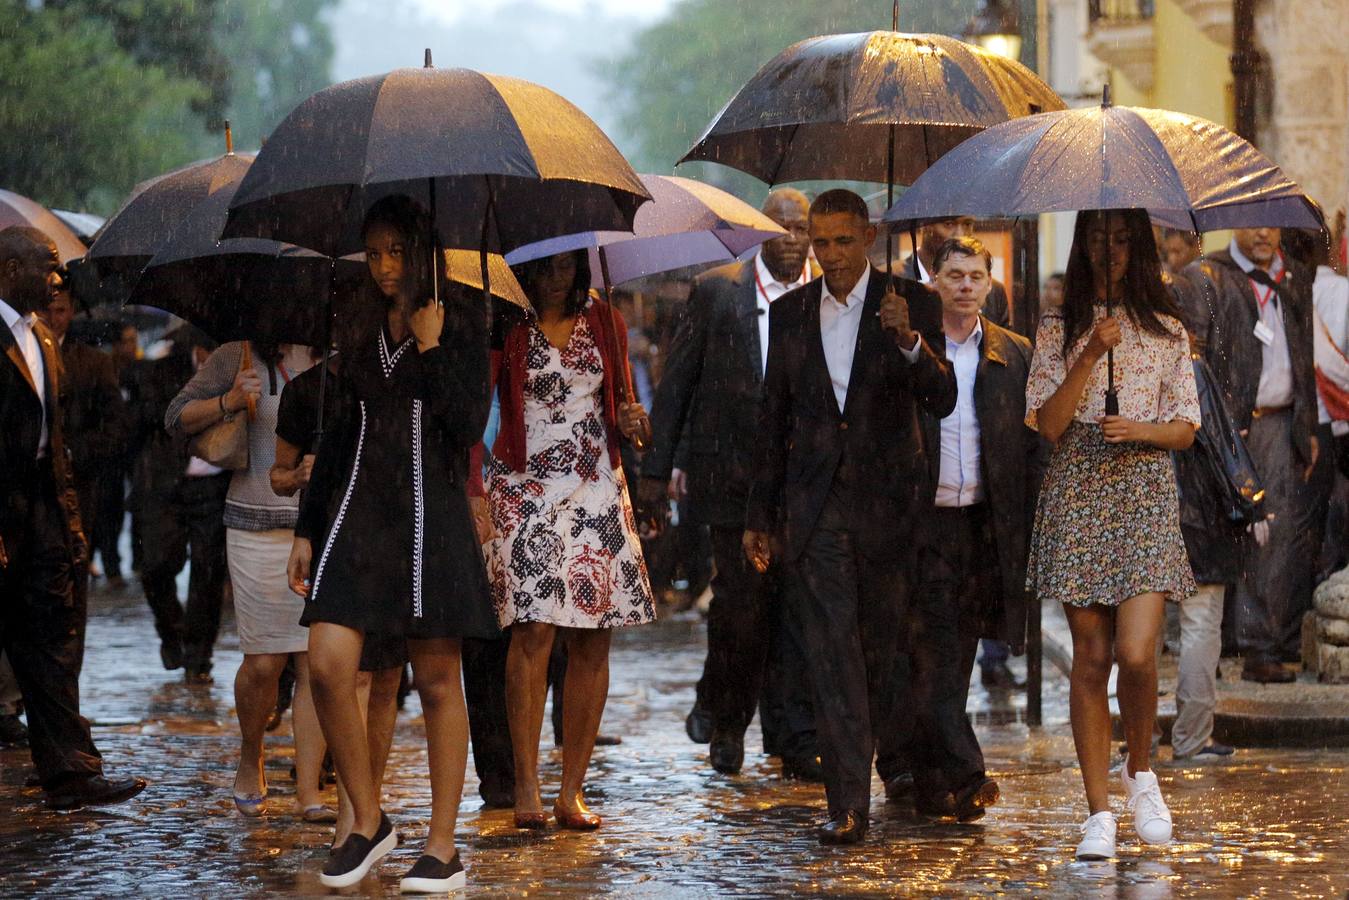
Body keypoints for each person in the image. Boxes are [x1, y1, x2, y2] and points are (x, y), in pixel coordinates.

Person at [290, 195, 498, 892]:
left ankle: (443, 845)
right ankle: (370, 817)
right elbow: (337, 434)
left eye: (396, 252)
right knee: (326, 661)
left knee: (438, 681)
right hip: (356, 512)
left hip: (429, 515)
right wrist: (306, 529)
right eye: (373, 252)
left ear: (421, 251)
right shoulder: (355, 321)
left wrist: (434, 344)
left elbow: (467, 426)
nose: (382, 267)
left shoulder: (463, 316)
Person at [744, 189, 956, 844]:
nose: (830, 254)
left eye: (842, 240)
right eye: (819, 241)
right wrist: (761, 513)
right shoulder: (789, 314)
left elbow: (943, 397)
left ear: (866, 237)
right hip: (816, 507)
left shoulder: (910, 303)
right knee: (831, 652)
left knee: (882, 650)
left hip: (891, 508)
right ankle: (846, 802)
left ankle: (898, 764)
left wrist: (908, 342)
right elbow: (772, 416)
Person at [1024, 209, 1200, 860]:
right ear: (1082, 246)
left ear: (1139, 247)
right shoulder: (1055, 328)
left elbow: (1185, 427)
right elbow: (1046, 423)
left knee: (1136, 654)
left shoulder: (1167, 330)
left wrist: (1140, 432)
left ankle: (1141, 769)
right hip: (1078, 488)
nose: (1111, 250)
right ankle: (1097, 810)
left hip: (1145, 489)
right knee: (1089, 658)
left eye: (1122, 239)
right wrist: (1090, 350)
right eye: (1098, 238)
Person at [637, 187, 821, 780]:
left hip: (804, 482)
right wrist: (654, 474)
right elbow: (677, 386)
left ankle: (792, 736)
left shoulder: (829, 295)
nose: (794, 241)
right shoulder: (720, 290)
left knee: (795, 609)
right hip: (731, 482)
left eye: (803, 229)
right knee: (742, 609)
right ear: (761, 230)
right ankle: (729, 721)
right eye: (783, 228)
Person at [469, 249, 656, 833]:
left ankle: (571, 787)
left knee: (593, 639)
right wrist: (474, 487)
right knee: (532, 632)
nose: (556, 277)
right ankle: (525, 782)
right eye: (544, 266)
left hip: (596, 481)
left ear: (582, 266)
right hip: (524, 484)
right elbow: (479, 407)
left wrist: (632, 420)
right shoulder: (505, 321)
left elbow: (622, 408)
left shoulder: (607, 321)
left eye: (566, 265)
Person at [876, 236, 1043, 821]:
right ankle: (967, 773)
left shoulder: (1013, 353)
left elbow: (1029, 444)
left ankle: (929, 781)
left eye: (976, 275)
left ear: (990, 284)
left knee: (955, 653)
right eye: (954, 275)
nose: (966, 285)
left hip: (982, 524)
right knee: (924, 653)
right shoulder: (906, 345)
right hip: (920, 520)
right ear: (935, 281)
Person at [0, 225, 146, 810]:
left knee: (52, 642)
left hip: (42, 515)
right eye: (47, 264)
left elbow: (51, 443)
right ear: (11, 270)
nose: (58, 278)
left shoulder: (42, 338)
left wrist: (70, 527)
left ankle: (70, 772)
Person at [167, 339, 330, 821]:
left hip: (321, 525)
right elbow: (174, 417)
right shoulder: (235, 355)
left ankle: (308, 792)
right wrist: (228, 401)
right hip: (254, 526)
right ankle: (250, 754)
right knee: (263, 664)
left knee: (314, 665)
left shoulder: (332, 349)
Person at [1185, 228, 1321, 683]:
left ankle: (1262, 646)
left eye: (1271, 222)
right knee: (1229, 532)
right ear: (1235, 226)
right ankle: (1226, 644)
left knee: (1277, 540)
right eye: (1253, 221)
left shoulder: (1296, 279)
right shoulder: (1206, 277)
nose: (1264, 232)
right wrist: (1220, 423)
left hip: (1283, 423)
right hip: (1230, 428)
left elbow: (1305, 356)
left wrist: (1307, 425)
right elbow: (1194, 359)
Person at [133, 326, 229, 679]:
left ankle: (198, 658)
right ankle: (172, 631)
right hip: (167, 485)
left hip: (215, 486)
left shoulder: (242, 372)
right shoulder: (164, 370)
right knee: (156, 565)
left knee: (207, 574)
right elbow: (150, 418)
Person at [36, 287, 128, 601]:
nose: (53, 318)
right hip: (31, 484)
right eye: (47, 309)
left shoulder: (93, 363)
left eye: (60, 310)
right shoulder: (19, 357)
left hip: (80, 483)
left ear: (71, 312)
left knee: (74, 567)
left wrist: (79, 451)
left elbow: (115, 423)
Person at [898, 216, 1010, 328]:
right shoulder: (894, 281)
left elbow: (1003, 341)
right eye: (948, 224)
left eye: (967, 224)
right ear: (925, 226)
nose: (960, 235)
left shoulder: (993, 291)